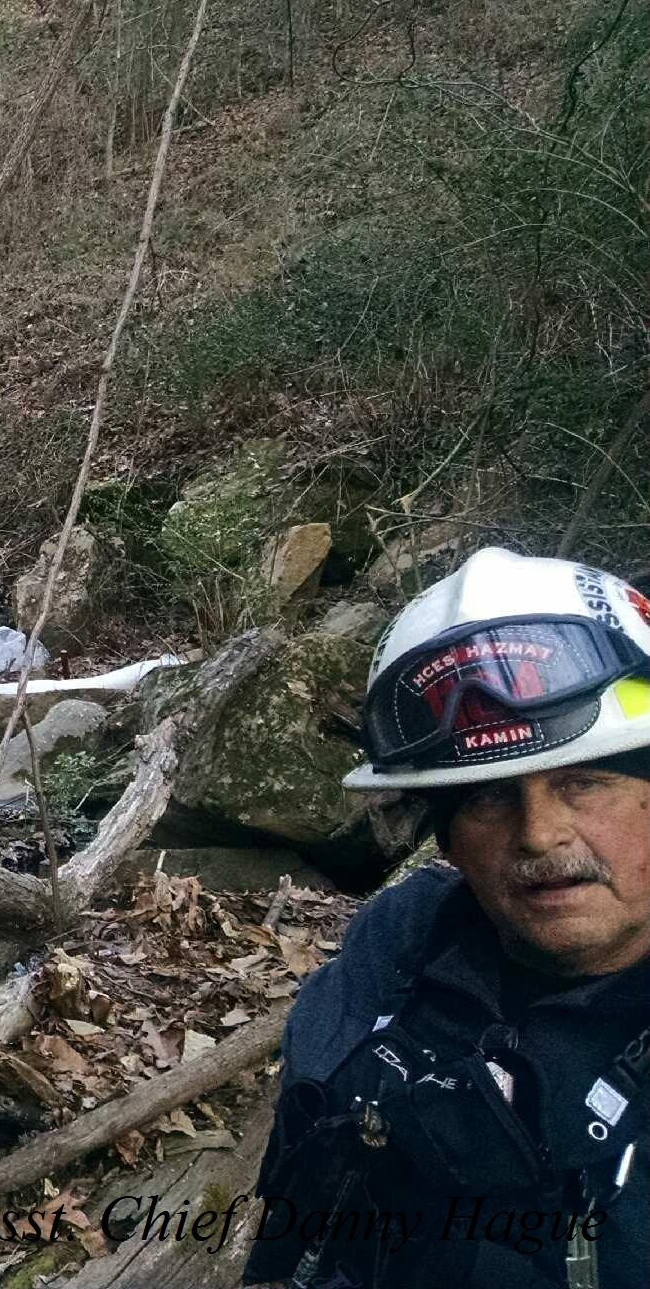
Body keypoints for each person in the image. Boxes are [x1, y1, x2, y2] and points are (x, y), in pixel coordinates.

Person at [245, 547, 649, 1289]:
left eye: (583, 782)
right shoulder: (397, 951)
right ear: (448, 840)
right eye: (489, 797)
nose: (538, 835)